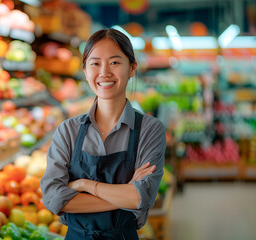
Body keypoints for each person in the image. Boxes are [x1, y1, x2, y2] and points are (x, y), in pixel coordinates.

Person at [40, 28, 166, 240]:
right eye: (95, 63)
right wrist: (124, 194)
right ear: (85, 70)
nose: (104, 72)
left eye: (115, 62)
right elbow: (53, 199)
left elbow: (140, 196)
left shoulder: (150, 129)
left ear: (132, 67)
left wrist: (83, 185)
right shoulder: (68, 130)